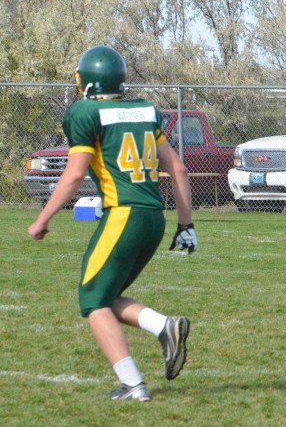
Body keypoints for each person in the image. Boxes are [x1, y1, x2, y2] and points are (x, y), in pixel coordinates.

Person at [27, 46, 196, 402]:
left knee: (92, 301)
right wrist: (186, 224)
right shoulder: (144, 110)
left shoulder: (86, 111)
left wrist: (43, 218)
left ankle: (133, 384)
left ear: (87, 81)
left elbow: (74, 175)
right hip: (154, 218)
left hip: (123, 214)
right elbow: (178, 168)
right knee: (107, 295)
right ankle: (162, 326)